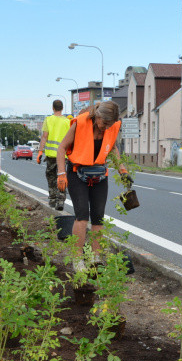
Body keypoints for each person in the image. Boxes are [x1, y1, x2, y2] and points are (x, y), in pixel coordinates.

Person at [56, 101, 130, 270]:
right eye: (104, 123)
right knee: (82, 216)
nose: (106, 127)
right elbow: (61, 148)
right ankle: (77, 259)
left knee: (98, 217)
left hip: (99, 175)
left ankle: (95, 258)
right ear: (97, 116)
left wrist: (123, 171)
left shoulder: (111, 127)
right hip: (77, 173)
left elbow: (112, 149)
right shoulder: (80, 123)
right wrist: (61, 174)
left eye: (110, 125)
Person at [38, 99, 71, 210]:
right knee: (61, 177)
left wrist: (40, 152)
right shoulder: (67, 122)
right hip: (63, 156)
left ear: (53, 108)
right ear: (62, 108)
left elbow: (44, 137)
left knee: (51, 177)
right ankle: (61, 200)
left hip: (51, 155)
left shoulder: (48, 120)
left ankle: (52, 199)